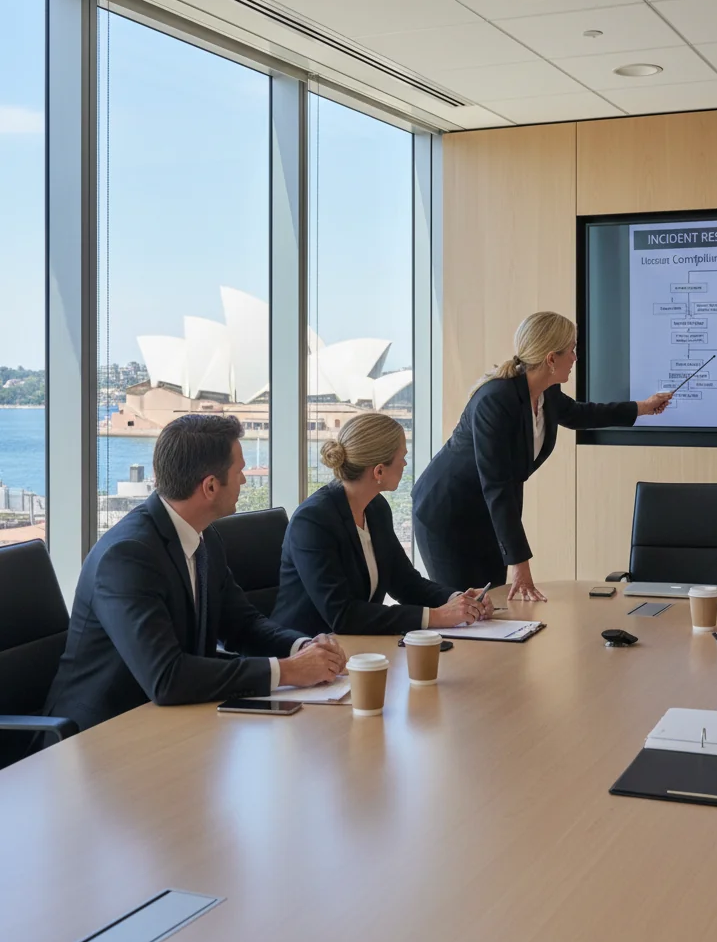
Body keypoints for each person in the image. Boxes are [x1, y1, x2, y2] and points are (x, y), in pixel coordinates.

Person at [45, 416, 345, 733]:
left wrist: (304, 648)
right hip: (96, 737)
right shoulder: (127, 557)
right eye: (239, 470)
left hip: (170, 723)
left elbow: (242, 624)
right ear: (210, 486)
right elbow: (167, 677)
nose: (244, 480)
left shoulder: (205, 538)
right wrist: (287, 671)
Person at [412, 311, 671, 599]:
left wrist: (643, 407)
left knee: (492, 607)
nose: (575, 357)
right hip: (448, 514)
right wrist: (519, 564)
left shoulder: (546, 393)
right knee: (463, 610)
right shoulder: (494, 402)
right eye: (571, 350)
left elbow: (580, 413)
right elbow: (497, 485)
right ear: (551, 358)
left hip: (488, 515)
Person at [273, 413, 492, 636]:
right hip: (304, 651)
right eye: (402, 457)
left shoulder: (376, 508)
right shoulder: (312, 522)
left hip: (356, 648)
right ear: (379, 471)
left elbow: (405, 582)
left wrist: (457, 600)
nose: (405, 463)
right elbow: (343, 615)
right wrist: (438, 616)